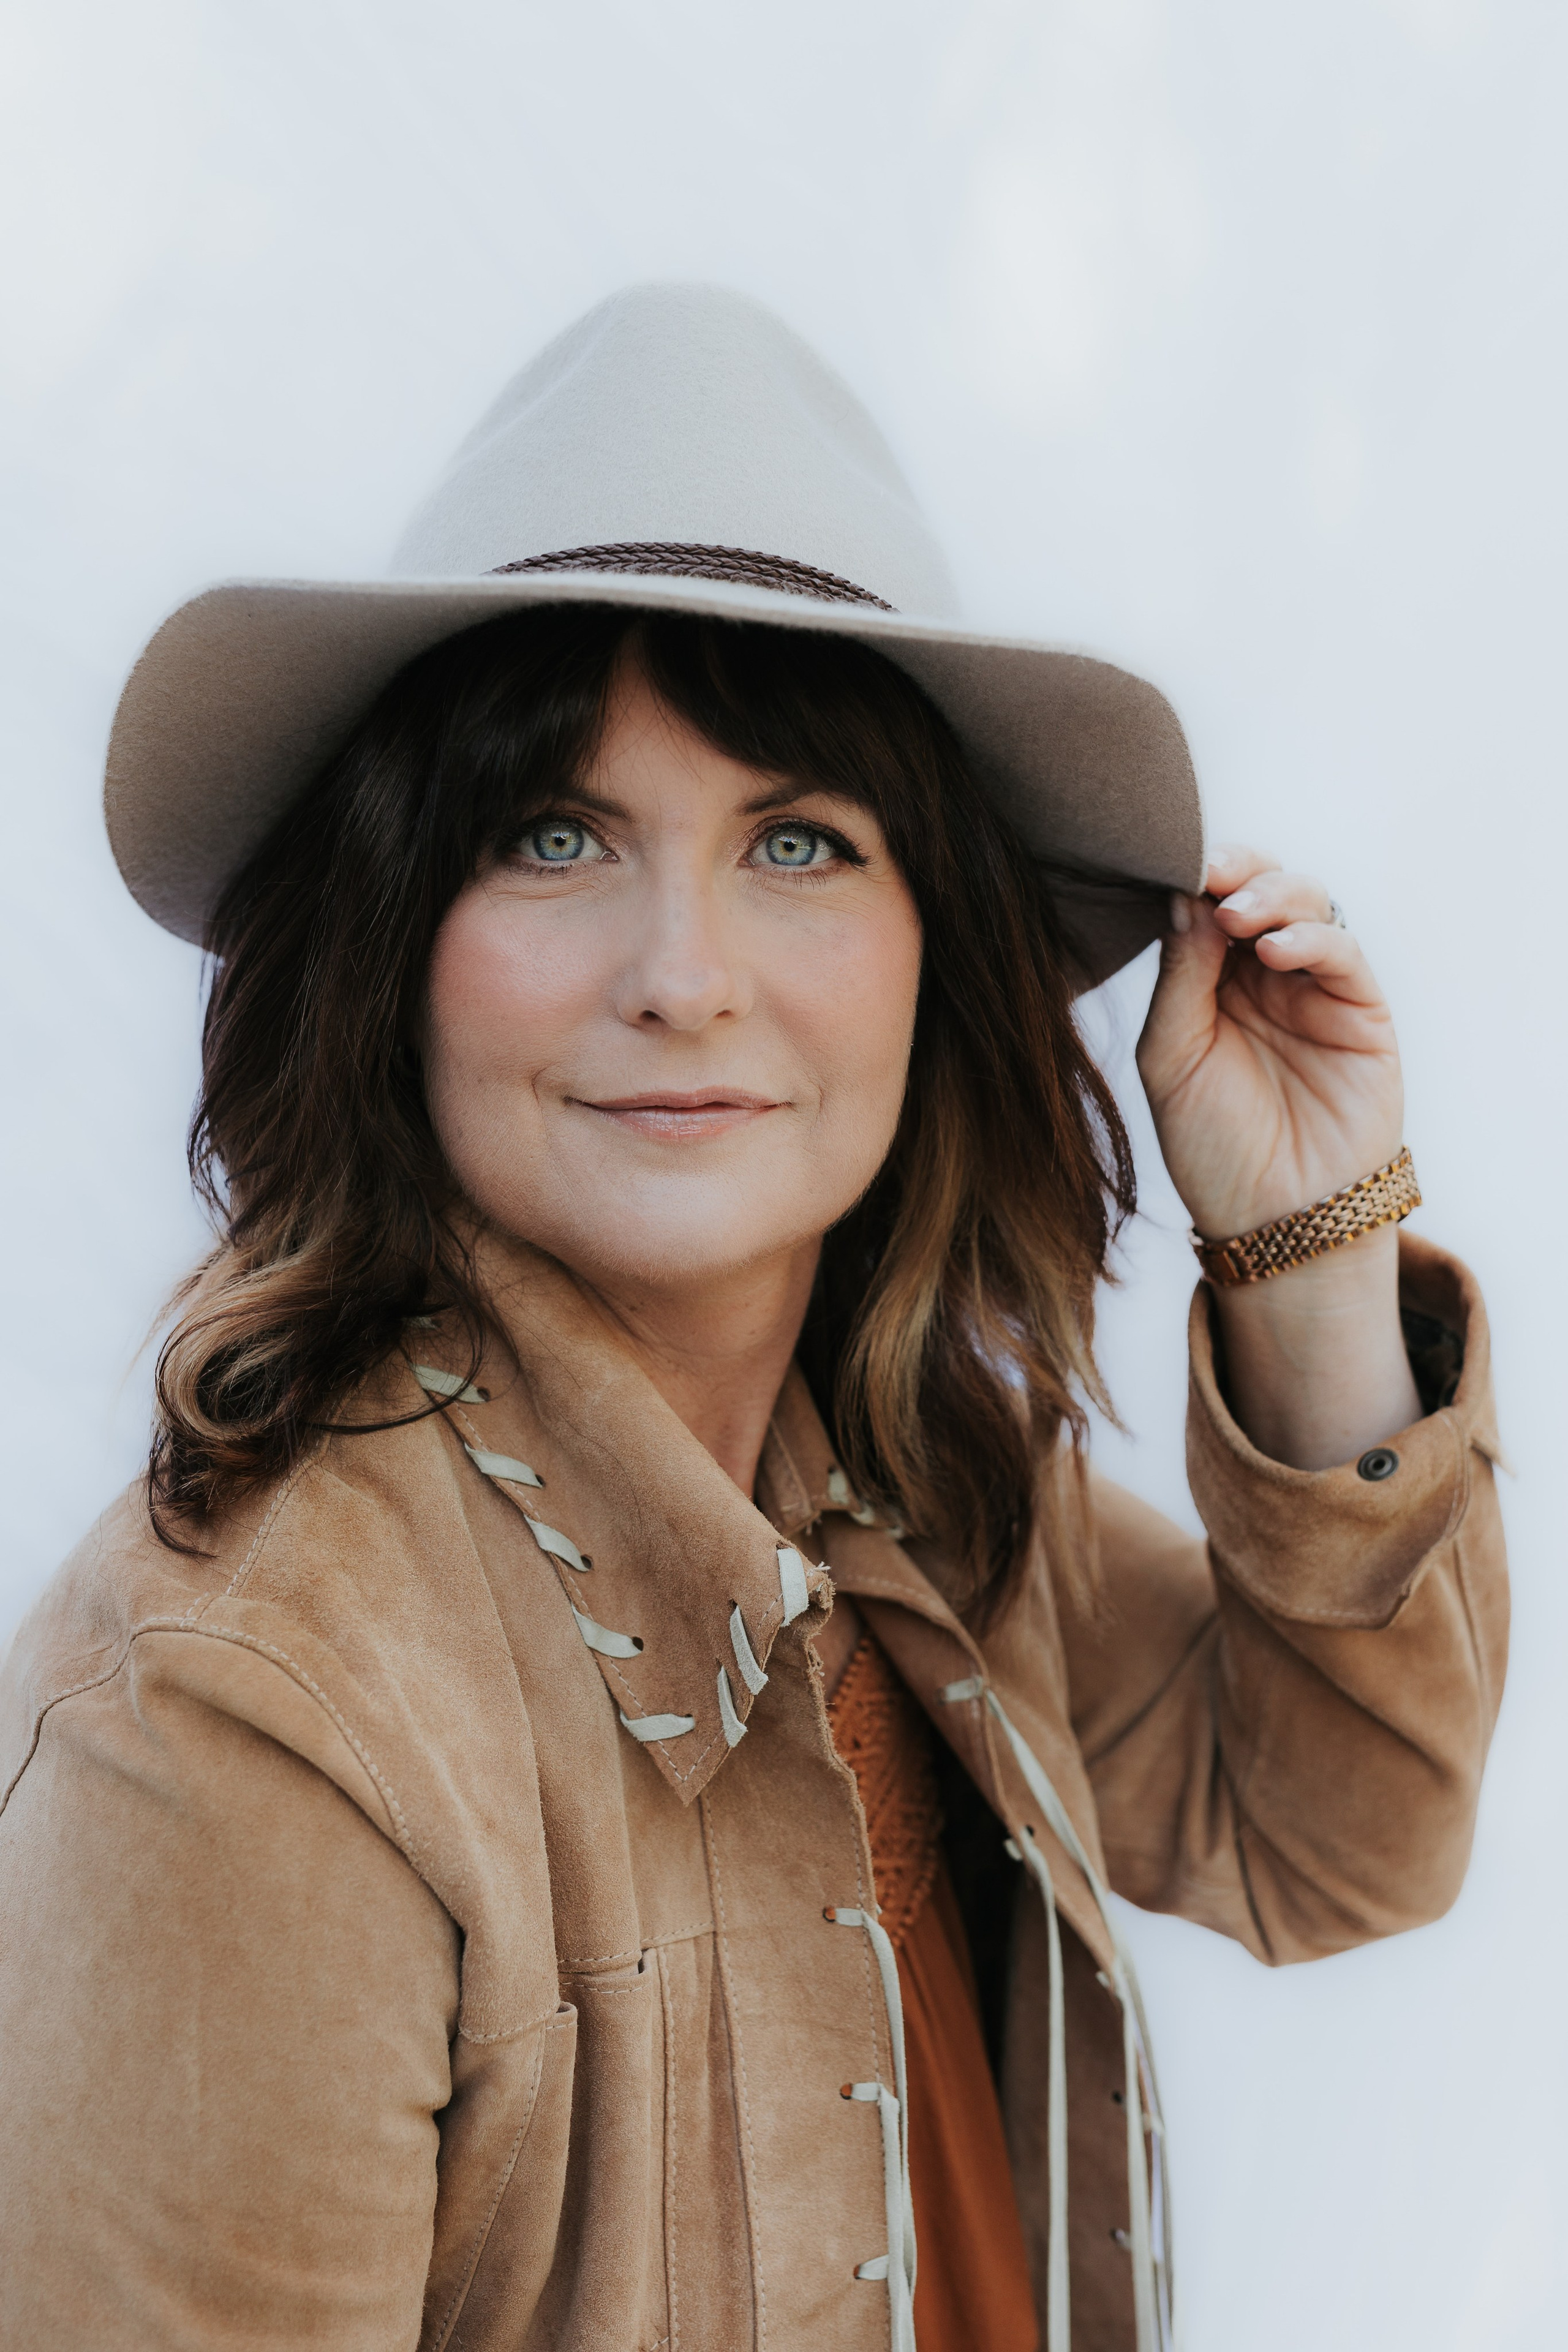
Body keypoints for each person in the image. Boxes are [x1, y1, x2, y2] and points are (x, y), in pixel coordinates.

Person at [0, 286, 1506, 2352]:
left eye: (799, 839)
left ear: (931, 955)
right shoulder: (244, 1718)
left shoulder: (914, 1482)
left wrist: (1310, 1247)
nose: (683, 975)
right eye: (555, 837)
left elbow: (1342, 1843)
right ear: (395, 943)